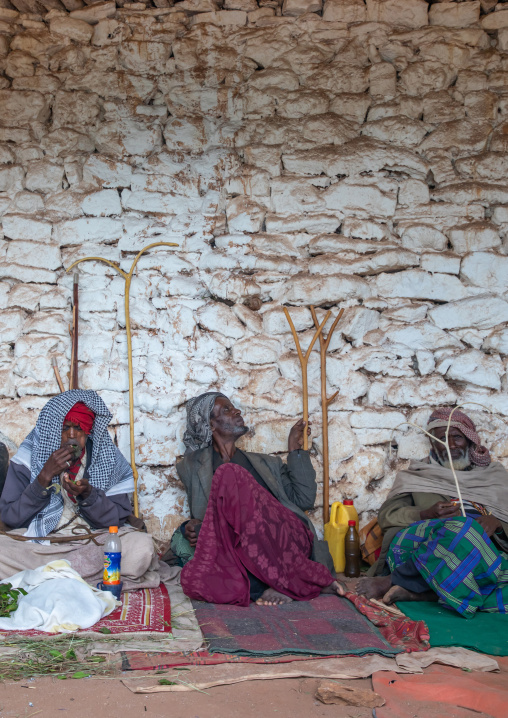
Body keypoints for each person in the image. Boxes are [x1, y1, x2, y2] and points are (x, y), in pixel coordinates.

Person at [175, 391, 344, 606]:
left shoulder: (267, 463)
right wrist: (190, 526)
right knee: (198, 580)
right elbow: (209, 519)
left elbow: (303, 500)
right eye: (226, 410)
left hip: (286, 538)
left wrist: (295, 451)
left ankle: (283, 581)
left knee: (230, 473)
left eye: (234, 407)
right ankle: (282, 582)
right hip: (242, 545)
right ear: (210, 426)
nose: (237, 411)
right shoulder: (192, 467)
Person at [0, 390, 158, 590]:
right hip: (40, 542)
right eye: (65, 428)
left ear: (89, 430)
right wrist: (43, 477)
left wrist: (88, 495)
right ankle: (78, 577)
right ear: (53, 429)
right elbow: (10, 517)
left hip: (91, 542)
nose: (72, 435)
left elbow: (115, 522)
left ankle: (48, 577)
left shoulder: (106, 459)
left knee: (140, 547)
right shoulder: (29, 457)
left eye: (79, 428)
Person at [358, 408, 508, 617]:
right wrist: (424, 514)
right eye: (441, 438)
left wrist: (498, 524)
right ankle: (394, 580)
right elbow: (387, 516)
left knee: (484, 552)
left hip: (481, 553)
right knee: (463, 529)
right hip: (423, 543)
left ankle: (424, 592)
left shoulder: (495, 476)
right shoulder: (417, 475)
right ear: (432, 444)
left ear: (470, 441)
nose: (451, 445)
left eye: (457, 437)